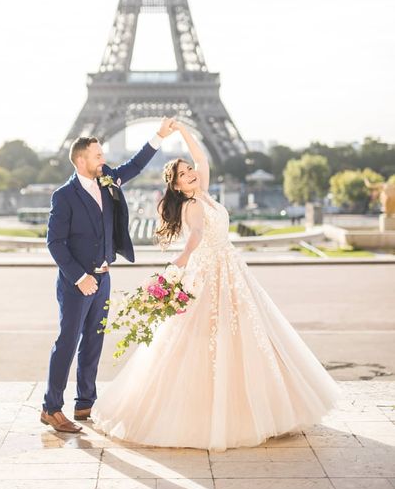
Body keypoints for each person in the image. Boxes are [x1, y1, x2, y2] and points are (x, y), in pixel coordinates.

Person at [91, 121, 339, 450]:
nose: (191, 173)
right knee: (213, 340)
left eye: (189, 170)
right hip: (210, 273)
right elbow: (194, 237)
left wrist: (183, 133)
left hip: (231, 270)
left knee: (242, 337)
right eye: (183, 174)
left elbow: (204, 160)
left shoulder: (203, 193)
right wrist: (178, 264)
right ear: (177, 187)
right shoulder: (192, 205)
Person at [41, 117, 175, 433]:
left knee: (93, 342)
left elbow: (136, 166)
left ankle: (85, 401)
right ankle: (51, 407)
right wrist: (78, 277)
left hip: (103, 277)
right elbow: (54, 243)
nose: (104, 160)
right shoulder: (64, 196)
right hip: (78, 283)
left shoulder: (108, 180)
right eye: (98, 156)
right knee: (67, 342)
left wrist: (158, 136)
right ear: (81, 160)